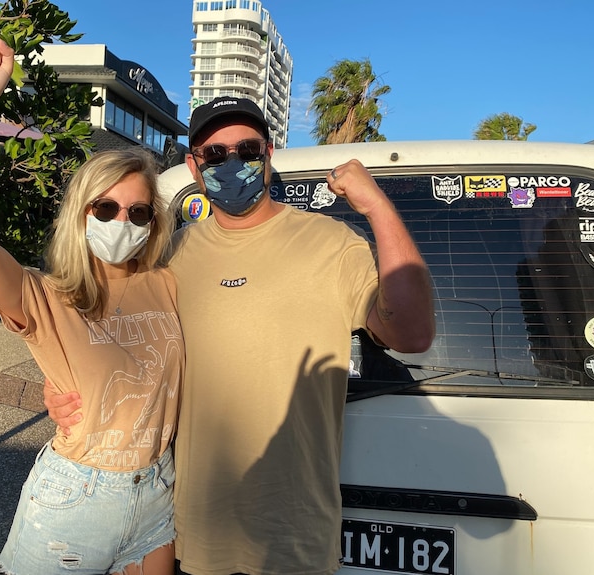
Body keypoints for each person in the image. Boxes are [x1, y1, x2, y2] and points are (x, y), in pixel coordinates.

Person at [46, 96, 435, 575]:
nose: (232, 163)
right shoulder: (171, 254)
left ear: (268, 153)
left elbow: (412, 332)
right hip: (193, 531)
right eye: (213, 153)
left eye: (246, 150)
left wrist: (377, 206)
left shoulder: (331, 243)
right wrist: (62, 387)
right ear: (193, 165)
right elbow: (115, 341)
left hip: (294, 536)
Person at [0, 39, 184, 575]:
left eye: (139, 211)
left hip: (156, 492)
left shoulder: (168, 285)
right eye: (105, 207)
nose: (121, 220)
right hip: (78, 496)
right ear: (82, 212)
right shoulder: (48, 296)